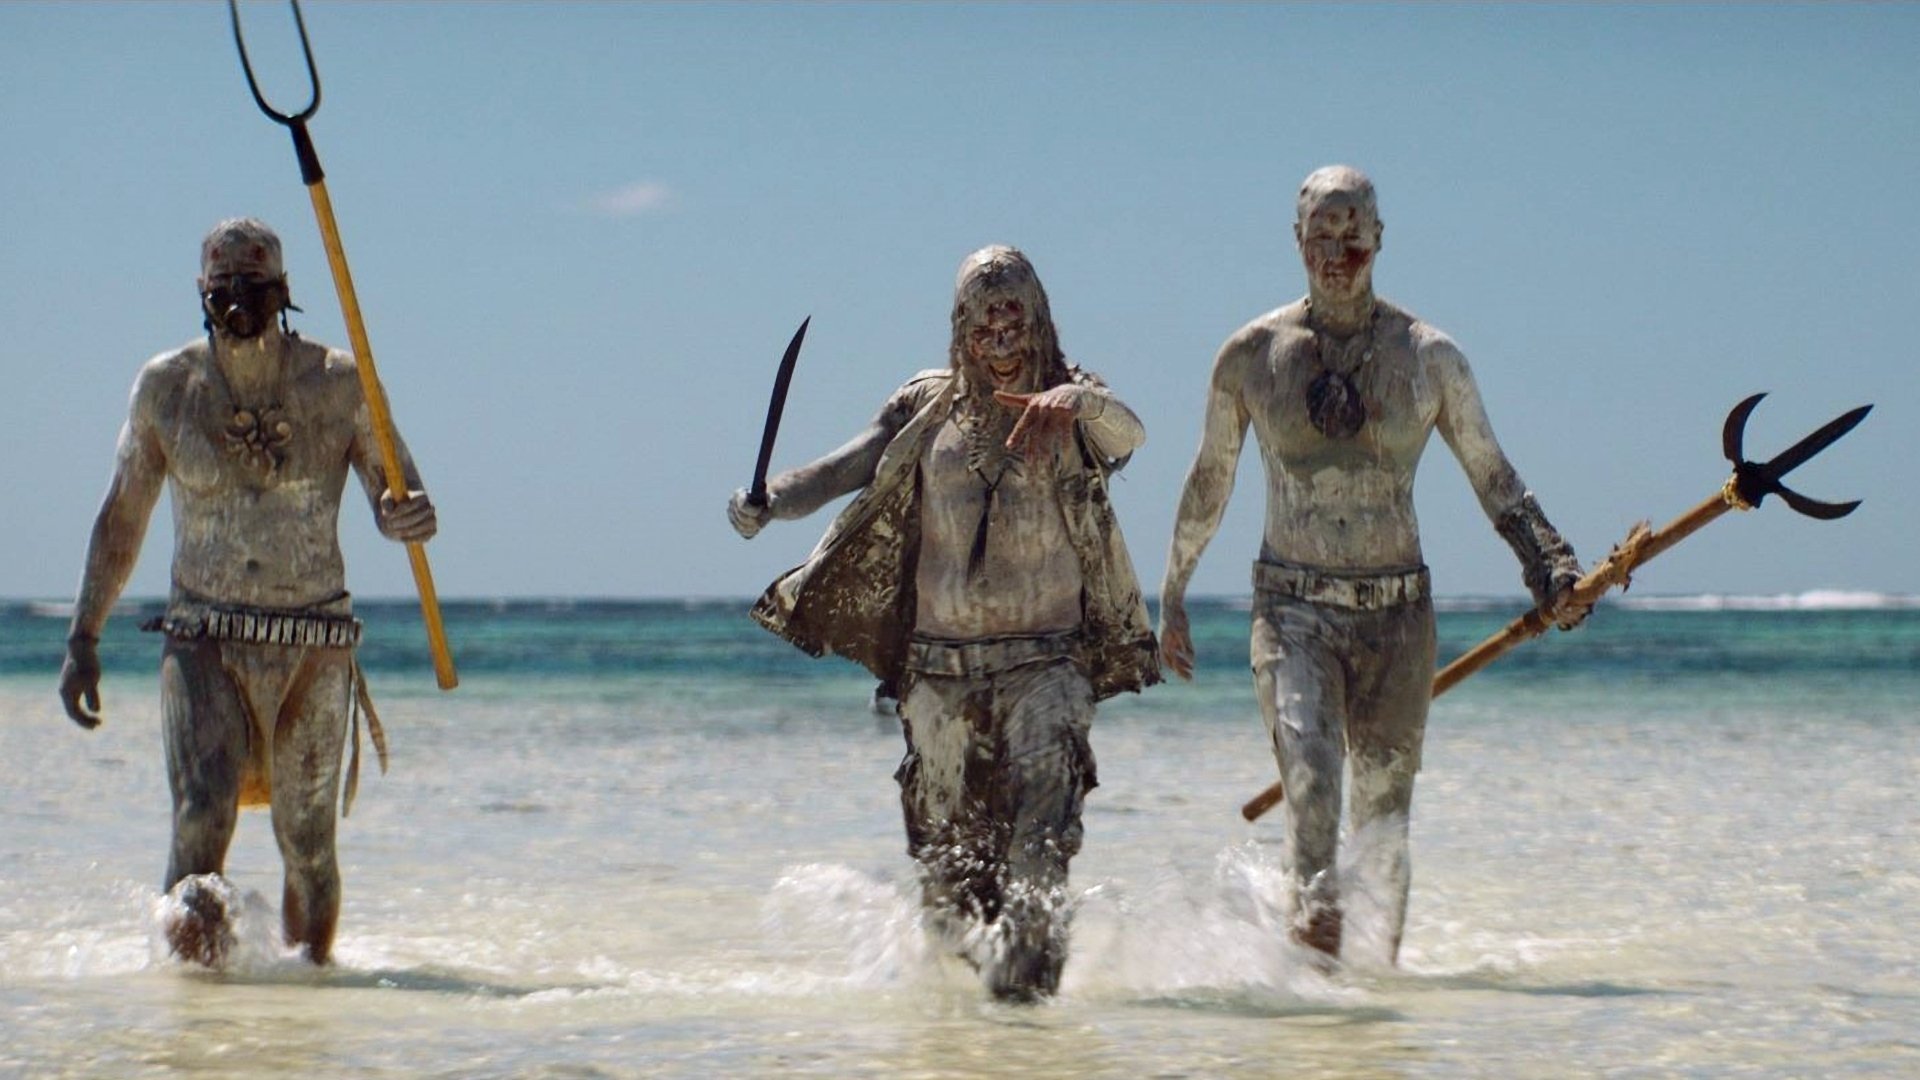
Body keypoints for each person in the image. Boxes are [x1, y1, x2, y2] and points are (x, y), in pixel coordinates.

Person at [1158, 166, 1587, 966]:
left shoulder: (1430, 357)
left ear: (1380, 238)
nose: (1337, 249)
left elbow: (1494, 476)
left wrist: (1551, 567)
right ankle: (1316, 993)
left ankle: (1373, 1003)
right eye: (1321, 233)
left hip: (1398, 619)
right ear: (1298, 242)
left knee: (1384, 825)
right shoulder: (1250, 356)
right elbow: (1209, 478)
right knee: (1314, 792)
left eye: (1353, 231)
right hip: (1292, 613)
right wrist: (1173, 593)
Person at [729, 246, 1159, 1001]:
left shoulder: (1073, 403)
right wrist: (767, 502)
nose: (1000, 334)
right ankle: (972, 1036)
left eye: (1013, 315)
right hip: (938, 675)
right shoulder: (925, 407)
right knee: (951, 876)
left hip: (1046, 668)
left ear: (1039, 317)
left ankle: (1028, 1023)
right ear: (960, 327)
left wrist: (1080, 404)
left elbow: (1130, 434)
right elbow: (842, 470)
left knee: (1041, 849)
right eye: (983, 319)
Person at [57, 218, 438, 966]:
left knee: (309, 842)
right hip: (203, 637)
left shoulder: (340, 382)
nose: (238, 300)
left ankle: (306, 1002)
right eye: (224, 286)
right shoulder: (167, 387)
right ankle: (197, 1008)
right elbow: (122, 517)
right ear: (201, 292)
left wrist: (408, 515)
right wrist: (82, 637)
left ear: (285, 291)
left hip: (314, 642)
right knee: (201, 818)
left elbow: (397, 492)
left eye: (254, 285)